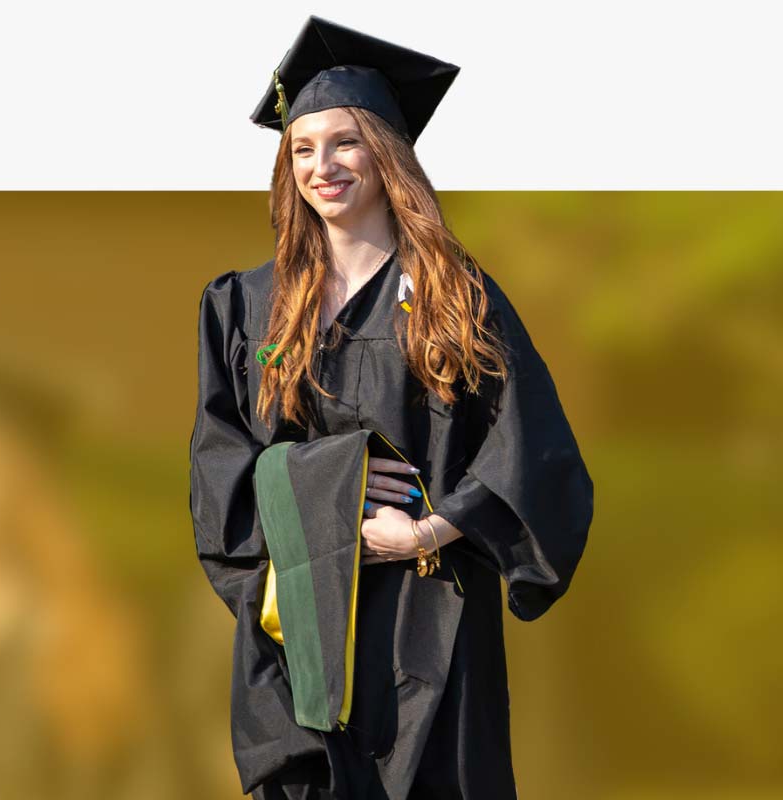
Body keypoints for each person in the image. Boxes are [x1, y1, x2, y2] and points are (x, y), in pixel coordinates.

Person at [188, 16, 594, 799]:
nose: (322, 166)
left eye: (344, 142)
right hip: (298, 620)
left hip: (430, 619)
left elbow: (533, 448)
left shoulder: (454, 297)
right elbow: (219, 483)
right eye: (302, 149)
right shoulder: (245, 307)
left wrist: (429, 529)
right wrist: (326, 490)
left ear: (386, 152)